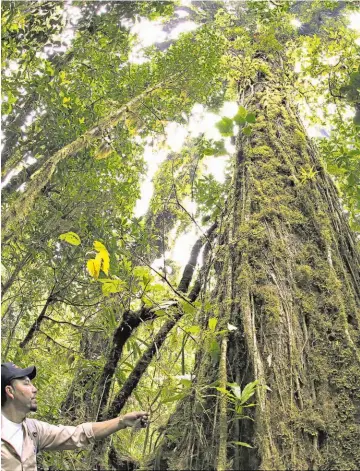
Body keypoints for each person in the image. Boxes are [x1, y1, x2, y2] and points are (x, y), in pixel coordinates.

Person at [1, 362, 148, 471]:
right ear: (10, 391)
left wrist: (121, 421)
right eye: (26, 384)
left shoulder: (33, 430)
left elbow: (78, 434)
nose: (34, 389)